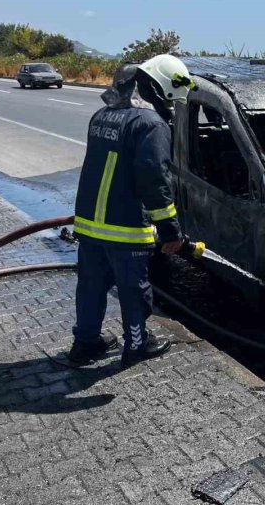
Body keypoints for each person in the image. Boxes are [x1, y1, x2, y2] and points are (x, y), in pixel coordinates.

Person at [67, 55, 202, 366]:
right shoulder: (150, 124)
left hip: (89, 223)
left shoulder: (102, 115)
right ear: (162, 89)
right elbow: (154, 179)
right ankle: (136, 346)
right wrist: (169, 230)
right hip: (125, 226)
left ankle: (85, 344)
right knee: (133, 290)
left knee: (91, 286)